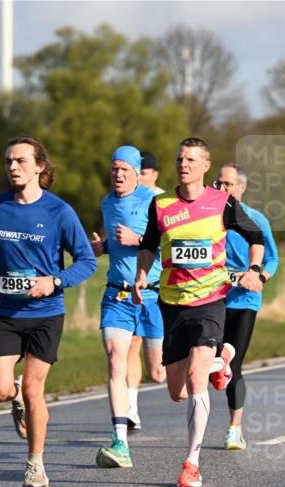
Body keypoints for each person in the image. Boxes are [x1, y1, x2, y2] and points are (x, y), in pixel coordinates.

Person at [0, 135, 97, 487]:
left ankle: (35, 466)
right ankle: (16, 396)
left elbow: (86, 261)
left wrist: (54, 281)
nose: (13, 167)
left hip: (45, 313)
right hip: (5, 312)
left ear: (39, 167)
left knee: (35, 390)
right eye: (8, 161)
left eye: (20, 161)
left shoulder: (59, 212)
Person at [132, 137, 265, 487]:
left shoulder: (222, 202)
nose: (184, 164)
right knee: (177, 392)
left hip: (210, 301)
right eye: (180, 159)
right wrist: (142, 274)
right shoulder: (160, 204)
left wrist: (254, 269)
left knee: (195, 380)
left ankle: (192, 463)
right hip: (172, 304)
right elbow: (148, 245)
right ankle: (224, 360)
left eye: (191, 160)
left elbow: (256, 236)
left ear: (205, 166)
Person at [91, 146, 165, 469]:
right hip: (117, 297)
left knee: (159, 374)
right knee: (115, 360)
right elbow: (117, 242)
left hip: (151, 296)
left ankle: (213, 362)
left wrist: (138, 240)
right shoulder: (107, 203)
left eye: (124, 170)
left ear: (137, 173)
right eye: (114, 169)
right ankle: (120, 441)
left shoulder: (155, 202)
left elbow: (171, 246)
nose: (118, 175)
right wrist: (103, 246)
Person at [213, 163, 279, 451]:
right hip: (213, 297)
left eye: (228, 184)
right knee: (207, 362)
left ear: (241, 187)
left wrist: (258, 277)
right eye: (218, 183)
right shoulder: (208, 217)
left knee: (234, 363)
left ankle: (235, 428)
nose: (222, 189)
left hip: (244, 300)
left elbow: (272, 259)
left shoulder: (256, 219)